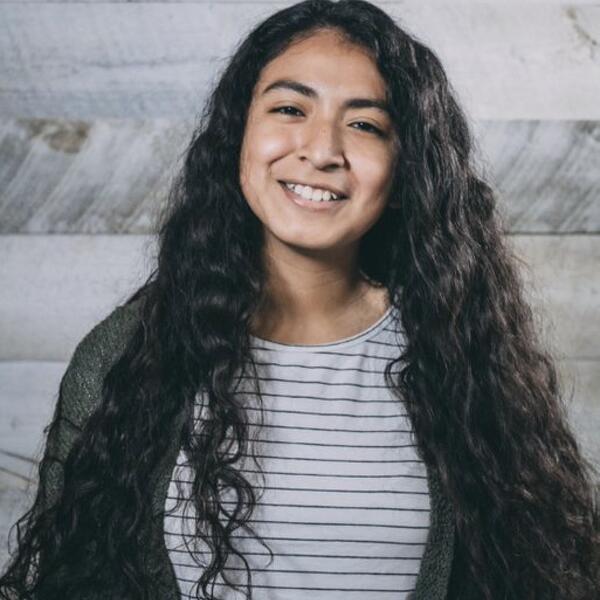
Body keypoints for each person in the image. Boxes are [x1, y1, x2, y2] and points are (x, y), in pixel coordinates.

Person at [1, 0, 599, 598]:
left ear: (405, 169)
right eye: (289, 109)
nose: (321, 150)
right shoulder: (130, 351)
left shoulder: (465, 354)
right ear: (238, 134)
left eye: (365, 125)